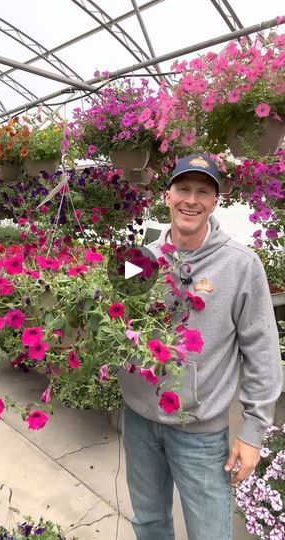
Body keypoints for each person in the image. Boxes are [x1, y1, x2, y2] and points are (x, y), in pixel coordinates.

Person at [118, 153, 283, 540]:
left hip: (199, 429)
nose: (191, 199)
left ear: (214, 203)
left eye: (202, 192)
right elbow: (116, 315)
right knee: (148, 522)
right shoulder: (142, 259)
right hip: (140, 417)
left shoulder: (241, 265)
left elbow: (261, 350)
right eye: (183, 189)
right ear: (168, 196)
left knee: (209, 532)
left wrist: (254, 430)